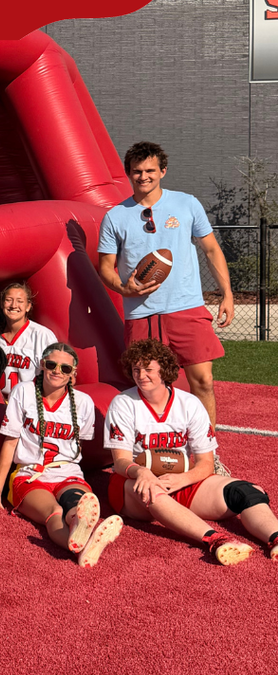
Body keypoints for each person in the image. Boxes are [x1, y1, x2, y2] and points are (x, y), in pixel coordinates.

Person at [97, 141, 234, 455]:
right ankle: (152, 455)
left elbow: (211, 249)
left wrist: (226, 293)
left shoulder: (186, 204)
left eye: (149, 171)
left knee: (203, 381)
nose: (143, 177)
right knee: (148, 386)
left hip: (187, 307)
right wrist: (123, 288)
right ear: (128, 173)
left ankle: (206, 455)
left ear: (162, 171)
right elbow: (105, 268)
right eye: (136, 172)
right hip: (141, 313)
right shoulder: (115, 217)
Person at [105, 338, 278, 566]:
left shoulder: (190, 404)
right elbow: (120, 462)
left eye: (148, 369)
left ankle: (274, 538)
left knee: (247, 492)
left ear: (164, 370)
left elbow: (206, 463)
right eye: (136, 369)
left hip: (177, 481)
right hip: (132, 485)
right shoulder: (124, 403)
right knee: (152, 488)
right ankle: (215, 540)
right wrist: (141, 472)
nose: (141, 375)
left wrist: (182, 479)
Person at [0, 342, 123, 568]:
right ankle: (84, 546)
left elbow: (81, 447)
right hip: (30, 474)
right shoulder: (23, 392)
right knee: (54, 512)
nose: (57, 371)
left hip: (68, 474)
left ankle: (82, 538)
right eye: (51, 365)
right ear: (42, 365)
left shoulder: (83, 402)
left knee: (75, 508)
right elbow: (10, 443)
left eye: (65, 368)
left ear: (74, 374)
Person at [0, 281, 56, 398]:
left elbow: (55, 374)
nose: (13, 305)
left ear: (28, 306)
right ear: (1, 304)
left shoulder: (42, 335)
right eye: (8, 300)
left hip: (29, 402)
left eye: (20, 301)